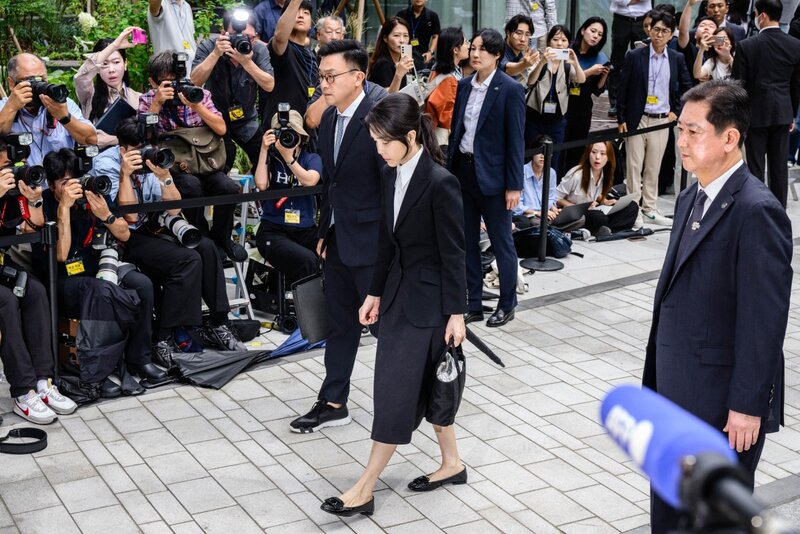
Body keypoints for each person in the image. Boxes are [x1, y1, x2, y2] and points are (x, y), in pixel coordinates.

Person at [643, 80, 792, 534]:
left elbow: (763, 320)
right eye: (680, 130)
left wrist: (748, 406)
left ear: (730, 138)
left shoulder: (756, 210)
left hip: (721, 406)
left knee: (710, 522)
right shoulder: (691, 196)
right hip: (675, 391)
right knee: (669, 513)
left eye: (693, 132)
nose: (681, 142)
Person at [320, 92, 467, 518]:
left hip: (431, 304)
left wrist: (457, 313)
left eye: (385, 142)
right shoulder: (390, 174)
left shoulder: (441, 182)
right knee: (427, 385)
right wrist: (374, 292)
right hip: (400, 294)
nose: (379, 150)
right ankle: (452, 464)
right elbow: (386, 241)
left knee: (394, 390)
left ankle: (364, 488)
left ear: (408, 136)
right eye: (374, 142)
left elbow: (455, 253)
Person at [289, 40, 384, 433]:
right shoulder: (328, 120)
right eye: (321, 77)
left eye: (331, 77)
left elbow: (393, 186)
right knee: (342, 323)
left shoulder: (381, 118)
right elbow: (331, 181)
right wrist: (325, 228)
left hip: (375, 243)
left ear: (358, 77)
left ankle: (422, 387)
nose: (324, 84)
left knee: (386, 325)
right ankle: (333, 402)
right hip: (339, 238)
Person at [95, 118, 245, 358]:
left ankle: (219, 323)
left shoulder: (155, 157)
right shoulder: (106, 163)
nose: (145, 154)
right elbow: (131, 217)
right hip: (125, 234)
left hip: (155, 225)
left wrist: (164, 175)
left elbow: (174, 209)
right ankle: (165, 336)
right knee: (187, 259)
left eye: (148, 147)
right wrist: (125, 174)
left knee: (205, 247)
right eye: (138, 150)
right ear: (122, 149)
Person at [40, 149, 160, 397]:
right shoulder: (46, 204)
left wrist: (104, 214)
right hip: (62, 280)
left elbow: (124, 234)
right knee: (101, 291)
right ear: (52, 185)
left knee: (142, 284)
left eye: (76, 179)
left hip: (97, 269)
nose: (73, 186)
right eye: (65, 182)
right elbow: (60, 255)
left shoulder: (92, 193)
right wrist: (64, 208)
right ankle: (98, 370)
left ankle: (140, 357)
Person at [448, 28, 525, 328]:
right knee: (466, 242)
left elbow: (515, 141)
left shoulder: (510, 89)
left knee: (501, 241)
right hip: (464, 173)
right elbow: (458, 131)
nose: (475, 53)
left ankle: (507, 303)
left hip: (495, 178)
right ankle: (474, 302)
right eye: (474, 47)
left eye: (482, 49)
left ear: (496, 55)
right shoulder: (464, 85)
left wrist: (514, 185)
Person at [139, 51, 246, 262]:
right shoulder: (148, 99)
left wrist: (195, 105)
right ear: (153, 82)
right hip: (174, 166)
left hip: (205, 161)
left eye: (176, 81)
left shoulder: (198, 94)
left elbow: (222, 129)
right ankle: (202, 236)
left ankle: (222, 237)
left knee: (229, 188)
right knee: (191, 187)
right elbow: (144, 137)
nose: (174, 87)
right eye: (166, 83)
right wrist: (157, 104)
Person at [0, 139, 77, 424]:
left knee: (35, 290)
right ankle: (22, 390)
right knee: (6, 300)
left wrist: (33, 199)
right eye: (3, 167)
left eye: (10, 166)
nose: (8, 173)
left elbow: (32, 229)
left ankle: (44, 383)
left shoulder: (10, 192)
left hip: (1, 266)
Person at [617, 9, 693, 227]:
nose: (659, 34)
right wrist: (621, 117)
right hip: (637, 118)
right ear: (649, 30)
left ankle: (649, 208)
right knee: (634, 166)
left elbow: (687, 88)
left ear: (671, 35)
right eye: (656, 29)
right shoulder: (635, 55)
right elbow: (623, 87)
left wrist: (676, 111)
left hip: (662, 119)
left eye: (665, 31)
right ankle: (633, 211)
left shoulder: (676, 58)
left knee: (653, 167)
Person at [731, 0, 800, 208]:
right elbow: (796, 84)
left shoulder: (747, 45)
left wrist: (739, 119)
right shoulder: (795, 45)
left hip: (755, 114)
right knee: (780, 167)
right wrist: (792, 114)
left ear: (761, 16)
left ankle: (756, 209)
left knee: (755, 167)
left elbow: (738, 87)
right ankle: (778, 212)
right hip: (782, 112)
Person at [191, 8, 275, 173]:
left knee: (268, 159)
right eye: (235, 37)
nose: (242, 41)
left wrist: (246, 63)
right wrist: (216, 53)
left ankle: (262, 195)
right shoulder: (210, 46)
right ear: (223, 33)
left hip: (246, 120)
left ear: (255, 36)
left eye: (249, 37)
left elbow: (269, 85)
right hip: (215, 120)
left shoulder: (258, 50)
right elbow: (195, 81)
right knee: (223, 161)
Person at [253, 110, 322, 285]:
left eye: (292, 133)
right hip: (274, 229)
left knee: (333, 255)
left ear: (301, 136)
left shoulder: (311, 158)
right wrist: (264, 150)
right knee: (307, 262)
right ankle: (305, 311)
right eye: (283, 134)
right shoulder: (271, 158)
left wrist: (289, 158)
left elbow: (310, 181)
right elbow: (261, 185)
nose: (288, 138)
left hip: (305, 229)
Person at [0, 54, 98, 164]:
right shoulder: (4, 107)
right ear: (12, 83)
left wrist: (64, 117)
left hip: (61, 179)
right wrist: (12, 107)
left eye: (42, 79)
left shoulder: (63, 105)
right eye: (29, 80)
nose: (37, 85)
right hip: (21, 180)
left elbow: (91, 140)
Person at [525, 25, 586, 173]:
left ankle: (549, 193)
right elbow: (530, 81)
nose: (559, 43)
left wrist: (575, 62)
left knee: (554, 158)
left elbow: (581, 79)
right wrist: (542, 62)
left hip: (557, 120)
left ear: (569, 43)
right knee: (530, 156)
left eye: (564, 40)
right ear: (548, 41)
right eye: (555, 39)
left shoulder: (567, 64)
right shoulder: (539, 58)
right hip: (535, 118)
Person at [74, 28, 144, 148]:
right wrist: (115, 45)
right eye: (104, 64)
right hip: (96, 162)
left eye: (116, 62)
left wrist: (114, 140)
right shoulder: (89, 94)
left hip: (131, 162)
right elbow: (80, 77)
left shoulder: (139, 98)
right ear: (97, 69)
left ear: (125, 64)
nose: (111, 70)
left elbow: (145, 138)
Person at [557, 141, 640, 235]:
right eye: (594, 152)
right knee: (599, 217)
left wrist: (604, 201)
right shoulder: (576, 175)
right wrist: (577, 208)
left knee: (632, 206)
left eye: (602, 153)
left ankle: (608, 231)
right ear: (588, 154)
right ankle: (613, 229)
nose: (597, 157)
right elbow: (556, 197)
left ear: (608, 157)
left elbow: (595, 192)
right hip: (579, 215)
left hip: (594, 210)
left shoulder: (605, 174)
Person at [562, 17, 611, 173]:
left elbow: (597, 91)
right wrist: (590, 71)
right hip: (564, 102)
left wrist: (604, 74)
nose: (595, 36)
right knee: (560, 145)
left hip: (583, 106)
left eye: (600, 34)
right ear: (583, 30)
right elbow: (565, 79)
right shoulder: (569, 50)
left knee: (578, 147)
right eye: (593, 31)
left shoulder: (600, 57)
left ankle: (571, 181)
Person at [261, 0, 318, 132]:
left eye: (306, 13)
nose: (301, 15)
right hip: (281, 126)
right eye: (296, 11)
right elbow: (280, 36)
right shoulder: (280, 47)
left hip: (308, 127)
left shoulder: (312, 54)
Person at [425, 27, 469, 149]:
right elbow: (443, 111)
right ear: (455, 49)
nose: (468, 46)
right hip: (442, 137)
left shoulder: (437, 69)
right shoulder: (450, 78)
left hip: (433, 132)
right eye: (465, 43)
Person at [608, 0, 653, 116]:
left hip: (642, 20)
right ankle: (614, 103)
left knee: (642, 61)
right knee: (616, 62)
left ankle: (639, 100)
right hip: (621, 20)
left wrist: (626, 1)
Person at [512, 134, 559, 230]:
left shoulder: (551, 173)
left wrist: (548, 210)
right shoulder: (521, 172)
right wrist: (537, 212)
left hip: (546, 214)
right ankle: (560, 231)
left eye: (547, 152)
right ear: (533, 152)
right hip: (529, 215)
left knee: (580, 218)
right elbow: (517, 207)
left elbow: (551, 197)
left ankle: (556, 230)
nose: (543, 156)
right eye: (540, 151)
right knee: (536, 223)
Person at [367, 17, 425, 93]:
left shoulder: (402, 59)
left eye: (405, 36)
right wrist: (398, 75)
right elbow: (388, 98)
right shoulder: (383, 64)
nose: (402, 40)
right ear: (385, 38)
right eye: (396, 35)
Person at [677, 1, 719, 83]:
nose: (706, 28)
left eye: (711, 26)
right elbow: (683, 32)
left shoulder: (718, 53)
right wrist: (689, 5)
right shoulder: (689, 49)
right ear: (695, 34)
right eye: (702, 26)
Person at [147, 0, 196, 67]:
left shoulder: (187, 6)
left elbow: (191, 38)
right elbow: (154, 9)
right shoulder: (161, 5)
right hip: (169, 72)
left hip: (192, 69)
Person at [396, 0, 441, 64]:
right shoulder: (402, 14)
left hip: (422, 55)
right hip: (403, 53)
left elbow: (436, 36)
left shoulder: (432, 16)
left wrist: (430, 52)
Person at [500, 14, 538, 85]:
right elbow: (507, 69)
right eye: (519, 33)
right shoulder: (500, 49)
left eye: (527, 35)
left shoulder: (522, 53)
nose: (523, 39)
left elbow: (530, 82)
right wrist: (524, 64)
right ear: (508, 33)